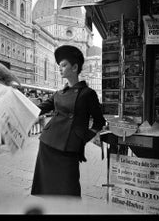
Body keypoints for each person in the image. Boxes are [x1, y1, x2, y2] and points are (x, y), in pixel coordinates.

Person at [31, 45, 106, 197]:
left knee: (69, 188)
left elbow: (99, 121)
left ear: (75, 67)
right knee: (47, 187)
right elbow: (40, 108)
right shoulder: (58, 94)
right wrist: (19, 104)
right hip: (47, 143)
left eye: (64, 65)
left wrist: (83, 138)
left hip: (69, 147)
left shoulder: (88, 94)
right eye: (59, 66)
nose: (60, 69)